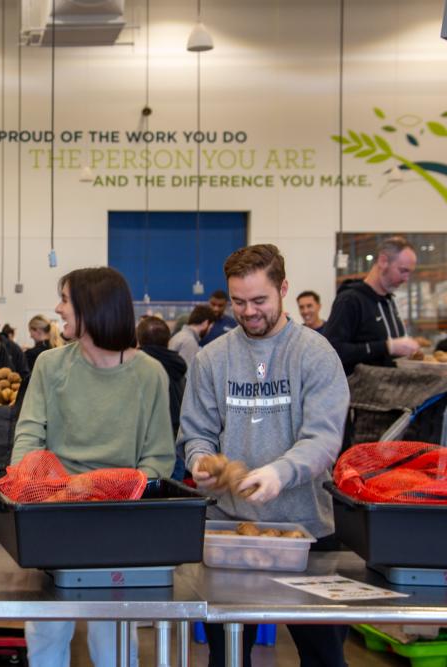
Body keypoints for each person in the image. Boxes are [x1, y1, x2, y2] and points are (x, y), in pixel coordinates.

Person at [178, 244, 350, 667]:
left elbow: (325, 438)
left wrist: (279, 473)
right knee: (228, 658)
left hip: (308, 534)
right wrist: (200, 461)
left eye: (259, 301)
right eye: (239, 302)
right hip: (231, 535)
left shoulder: (315, 354)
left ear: (283, 289)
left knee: (324, 657)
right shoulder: (212, 358)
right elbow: (195, 432)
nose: (249, 311)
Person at [11, 267, 175, 667]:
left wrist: (111, 492)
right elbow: (28, 439)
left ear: (92, 308)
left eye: (64, 300)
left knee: (115, 635)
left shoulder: (150, 374)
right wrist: (33, 492)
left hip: (120, 521)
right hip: (54, 513)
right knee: (47, 630)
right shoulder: (51, 366)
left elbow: (158, 459)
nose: (57, 308)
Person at [324, 236, 419, 375]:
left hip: (391, 389)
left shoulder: (388, 301)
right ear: (383, 261)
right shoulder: (350, 300)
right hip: (361, 392)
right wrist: (387, 347)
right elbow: (333, 351)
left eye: (409, 273)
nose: (406, 279)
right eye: (403, 270)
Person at [137, 315, 187, 473]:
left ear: (139, 340)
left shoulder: (139, 367)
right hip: (176, 437)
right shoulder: (177, 364)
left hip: (149, 448)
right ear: (168, 340)